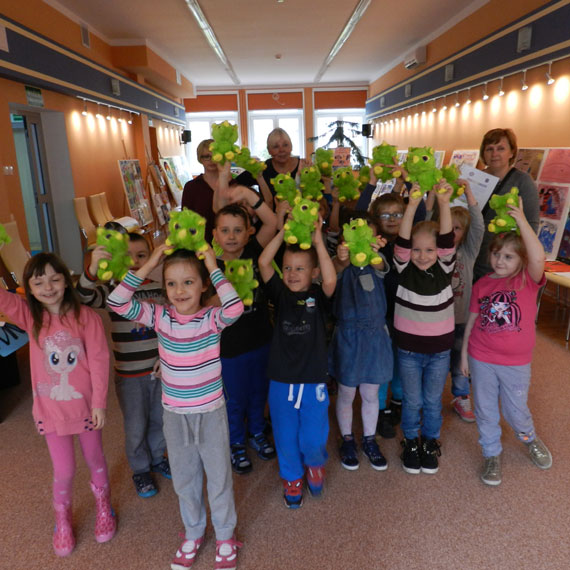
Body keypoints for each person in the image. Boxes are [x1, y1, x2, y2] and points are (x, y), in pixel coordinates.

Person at [107, 244, 244, 570]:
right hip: (175, 414)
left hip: (211, 412)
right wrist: (152, 261)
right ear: (163, 286)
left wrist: (211, 263)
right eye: (171, 283)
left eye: (188, 282)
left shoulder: (212, 318)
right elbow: (116, 302)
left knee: (219, 477)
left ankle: (225, 536)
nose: (179, 290)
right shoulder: (160, 315)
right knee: (185, 478)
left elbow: (235, 307)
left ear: (203, 285)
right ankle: (194, 532)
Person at [0, 253, 115, 557]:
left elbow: (101, 362)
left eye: (54, 278)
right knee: (64, 470)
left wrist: (100, 403)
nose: (48, 287)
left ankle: (104, 507)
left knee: (95, 460)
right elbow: (3, 300)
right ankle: (62, 519)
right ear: (29, 288)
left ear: (66, 280)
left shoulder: (86, 318)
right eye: (39, 282)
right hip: (52, 414)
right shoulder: (30, 317)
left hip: (88, 410)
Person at [460, 200, 552, 486]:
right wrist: (464, 355)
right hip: (481, 356)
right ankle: (491, 453)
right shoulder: (482, 284)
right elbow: (472, 321)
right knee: (485, 409)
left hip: (515, 363)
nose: (500, 260)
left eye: (509, 256)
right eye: (497, 254)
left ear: (521, 262)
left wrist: (522, 220)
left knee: (516, 410)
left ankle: (529, 438)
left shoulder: (528, 279)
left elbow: (537, 257)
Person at [76, 230, 170, 498]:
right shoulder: (113, 290)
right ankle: (140, 469)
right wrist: (92, 268)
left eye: (142, 255)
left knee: (159, 420)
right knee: (135, 426)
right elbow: (82, 297)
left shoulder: (159, 286)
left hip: (160, 371)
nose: (135, 262)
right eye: (128, 257)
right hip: (129, 376)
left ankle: (156, 458)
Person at [258, 207, 336, 508]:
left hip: (313, 378)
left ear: (313, 272)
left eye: (300, 269)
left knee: (314, 436)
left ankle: (315, 464)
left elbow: (330, 280)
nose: (291, 273)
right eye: (288, 268)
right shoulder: (280, 294)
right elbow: (265, 261)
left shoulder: (318, 293)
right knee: (285, 435)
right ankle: (291, 477)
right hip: (280, 379)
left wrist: (318, 241)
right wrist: (284, 230)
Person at [212, 186, 277, 474]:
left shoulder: (253, 250)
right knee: (234, 399)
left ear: (249, 232)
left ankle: (257, 433)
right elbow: (204, 303)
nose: (231, 236)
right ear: (215, 235)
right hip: (229, 348)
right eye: (224, 230)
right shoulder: (210, 264)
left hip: (261, 338)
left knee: (258, 393)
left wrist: (250, 197)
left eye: (238, 229)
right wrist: (228, 291)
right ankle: (236, 442)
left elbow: (273, 223)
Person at [393, 183, 455, 475]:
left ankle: (430, 441)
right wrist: (411, 205)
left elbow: (446, 239)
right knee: (412, 399)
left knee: (431, 401)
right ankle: (411, 442)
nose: (422, 255)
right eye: (416, 250)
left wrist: (443, 203)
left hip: (439, 352)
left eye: (429, 250)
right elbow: (402, 242)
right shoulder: (404, 269)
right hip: (408, 351)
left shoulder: (444, 267)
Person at [330, 219, 393, 471]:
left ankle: (369, 438)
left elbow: (380, 265)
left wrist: (374, 252)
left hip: (375, 337)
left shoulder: (377, 263)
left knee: (370, 394)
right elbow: (335, 268)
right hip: (348, 336)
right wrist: (342, 257)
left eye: (368, 237)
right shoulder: (343, 265)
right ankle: (347, 438)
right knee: (346, 392)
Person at [473, 128, 539, 281]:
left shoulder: (523, 182)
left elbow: (531, 227)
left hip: (503, 266)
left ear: (511, 152)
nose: (494, 153)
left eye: (501, 148)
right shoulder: (475, 179)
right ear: (483, 153)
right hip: (470, 260)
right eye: (489, 149)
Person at [368, 193, 406, 438]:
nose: (391, 219)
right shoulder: (372, 243)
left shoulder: (409, 241)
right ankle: (380, 410)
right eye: (385, 215)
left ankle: (398, 403)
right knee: (382, 366)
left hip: (405, 313)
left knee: (402, 363)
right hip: (380, 315)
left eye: (397, 214)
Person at [181, 140, 267, 242]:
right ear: (200, 159)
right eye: (207, 156)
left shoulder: (234, 184)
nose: (212, 160)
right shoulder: (191, 187)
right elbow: (185, 218)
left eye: (215, 156)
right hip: (201, 243)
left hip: (230, 242)